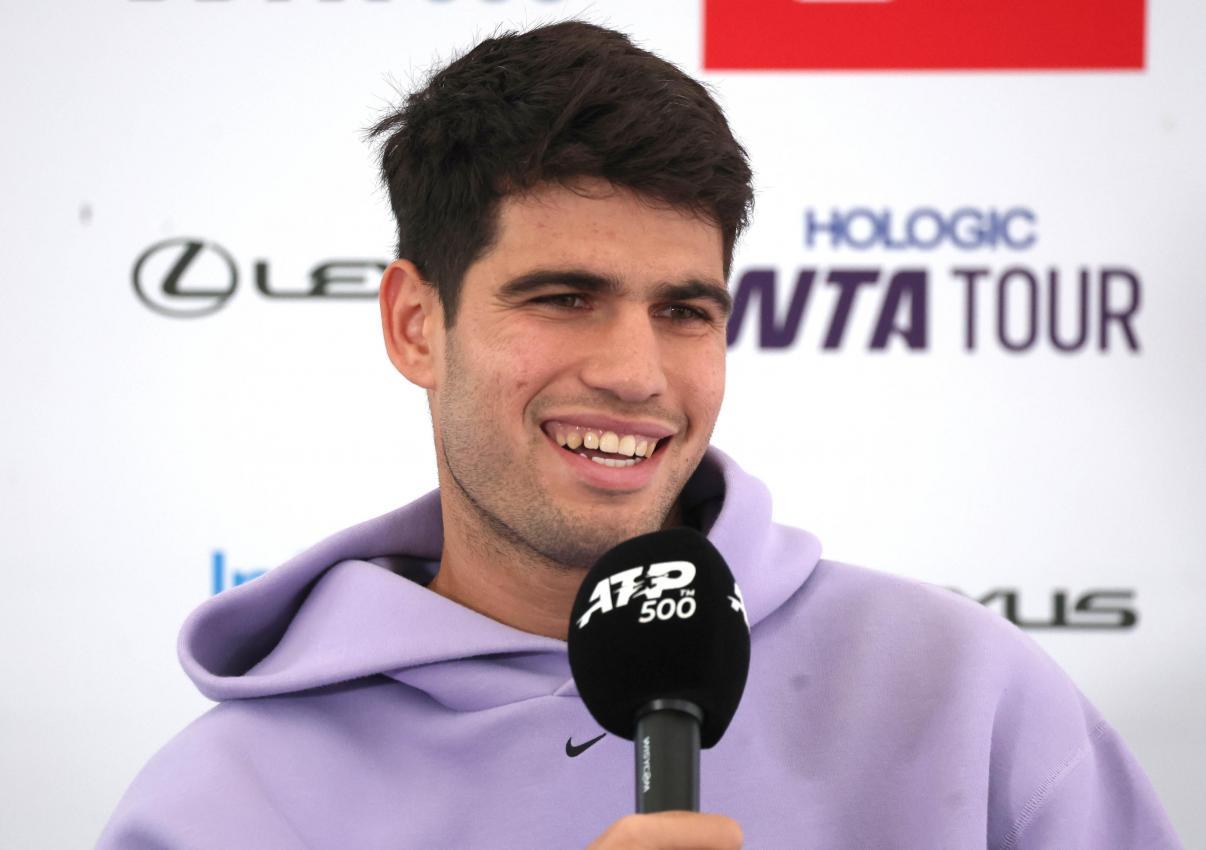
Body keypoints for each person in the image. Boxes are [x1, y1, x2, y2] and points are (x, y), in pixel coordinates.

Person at [95, 20, 1182, 849]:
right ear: (417, 324)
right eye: (564, 297)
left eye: (684, 310)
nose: (634, 373)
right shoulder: (224, 807)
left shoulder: (964, 695)